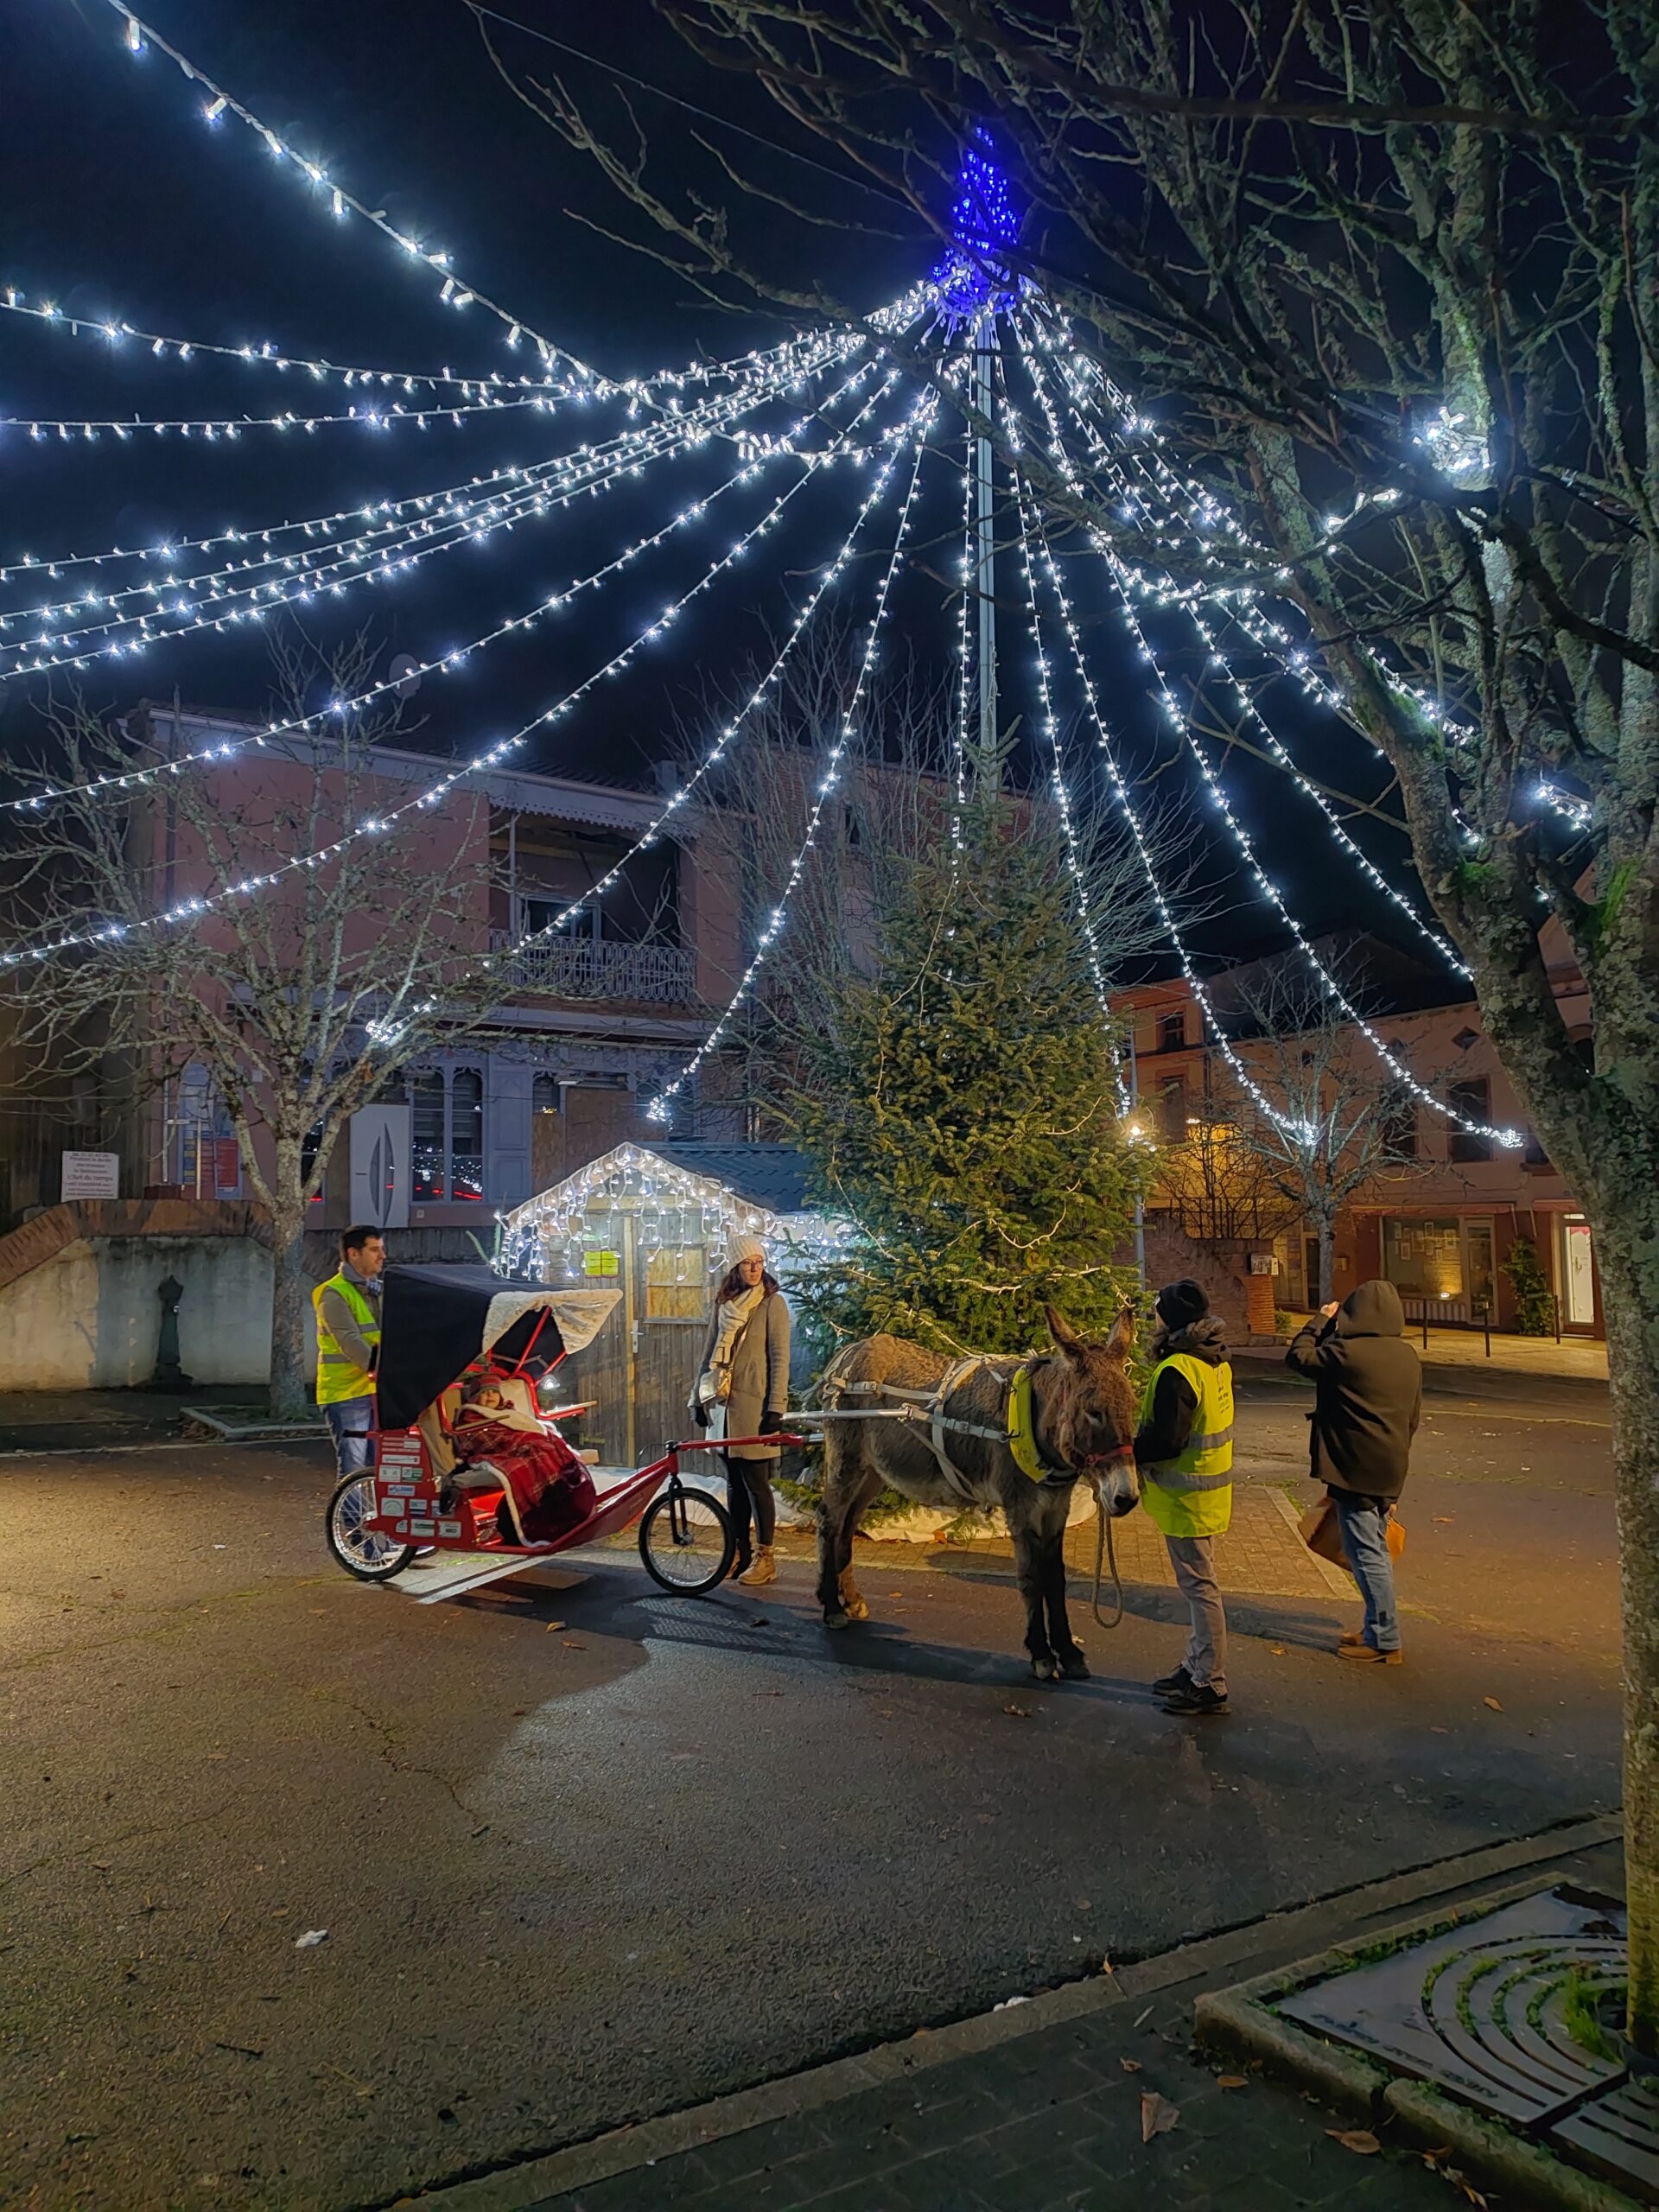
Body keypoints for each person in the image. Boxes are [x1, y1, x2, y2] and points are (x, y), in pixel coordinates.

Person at [1287, 1278, 1421, 1666]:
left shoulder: (1347, 1353)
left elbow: (1299, 1357)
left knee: (1367, 1555)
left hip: (1354, 1467)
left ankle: (1384, 1639)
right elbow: (1412, 1418)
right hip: (1390, 1467)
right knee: (1373, 1549)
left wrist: (1318, 1321)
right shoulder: (1406, 1356)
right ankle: (1375, 1627)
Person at [1134, 1279, 1235, 1718]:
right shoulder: (1214, 1361)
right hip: (1206, 1493)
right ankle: (1195, 1666)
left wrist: (1126, 1453)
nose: (1153, 1318)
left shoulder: (1178, 1370)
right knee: (1198, 1585)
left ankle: (1209, 1683)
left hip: (1188, 1497)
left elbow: (1168, 1441)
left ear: (1170, 1321)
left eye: (1157, 1312)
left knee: (1200, 1588)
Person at [690, 1234, 791, 1587]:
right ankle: (740, 1551)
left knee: (756, 1482)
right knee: (733, 1482)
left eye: (759, 1262)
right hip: (722, 1407)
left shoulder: (771, 1305)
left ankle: (766, 1558)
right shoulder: (724, 1304)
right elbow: (707, 1355)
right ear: (735, 1266)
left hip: (754, 1407)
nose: (754, 1269)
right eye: (748, 1263)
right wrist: (696, 1400)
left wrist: (775, 1407)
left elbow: (780, 1360)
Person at [453, 1376, 598, 1545]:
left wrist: (534, 1436)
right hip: (503, 1448)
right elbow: (486, 1438)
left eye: (494, 1392)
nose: (490, 1396)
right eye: (484, 1393)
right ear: (474, 1398)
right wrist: (523, 1442)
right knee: (539, 1457)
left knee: (553, 1451)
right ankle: (549, 1518)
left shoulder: (505, 1411)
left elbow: (522, 1426)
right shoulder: (472, 1416)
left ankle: (571, 1506)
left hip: (525, 1442)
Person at [313, 1225, 385, 1480]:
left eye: (382, 1249)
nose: (382, 1256)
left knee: (380, 1467)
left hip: (374, 1390)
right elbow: (349, 1340)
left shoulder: (378, 1290)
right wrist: (385, 1372)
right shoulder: (333, 1293)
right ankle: (352, 1520)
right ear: (353, 1254)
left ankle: (375, 1519)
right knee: (354, 1468)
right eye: (374, 1250)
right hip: (345, 1393)